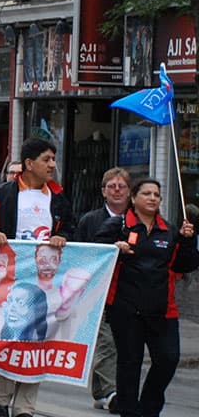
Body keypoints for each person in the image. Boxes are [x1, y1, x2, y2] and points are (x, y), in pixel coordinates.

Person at [0, 137, 73, 417]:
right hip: (10, 282)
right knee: (10, 338)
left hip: (45, 286)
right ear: (29, 164)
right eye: (46, 159)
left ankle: (26, 408)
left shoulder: (59, 198)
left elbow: (73, 231)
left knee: (38, 341)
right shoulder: (1, 195)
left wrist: (64, 236)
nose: (52, 165)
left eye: (53, 159)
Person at [96, 178, 197, 417]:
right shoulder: (118, 226)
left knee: (168, 359)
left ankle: (149, 409)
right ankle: (130, 412)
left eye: (157, 194)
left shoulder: (170, 230)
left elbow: (185, 265)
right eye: (147, 193)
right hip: (126, 309)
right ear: (133, 198)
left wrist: (187, 242)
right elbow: (97, 252)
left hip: (162, 309)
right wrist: (115, 249)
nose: (153, 198)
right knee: (129, 364)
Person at [75, 167, 130, 410]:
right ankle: (111, 392)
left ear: (129, 192)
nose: (117, 191)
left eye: (122, 186)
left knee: (120, 343)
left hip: (128, 292)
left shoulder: (137, 219)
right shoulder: (90, 220)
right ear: (103, 192)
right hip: (99, 291)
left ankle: (101, 392)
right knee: (105, 342)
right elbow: (81, 255)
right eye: (112, 186)